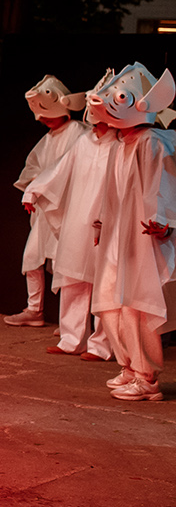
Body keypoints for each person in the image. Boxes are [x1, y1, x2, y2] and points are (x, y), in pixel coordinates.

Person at [81, 63, 176, 401]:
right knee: (110, 300)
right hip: (119, 237)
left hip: (144, 235)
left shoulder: (152, 143)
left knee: (138, 303)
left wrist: (165, 222)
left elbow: (164, 185)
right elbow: (113, 192)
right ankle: (130, 365)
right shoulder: (122, 144)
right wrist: (102, 223)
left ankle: (147, 375)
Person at [22, 70, 116, 361]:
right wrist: (34, 190)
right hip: (78, 216)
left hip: (106, 217)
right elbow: (59, 169)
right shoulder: (85, 142)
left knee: (105, 282)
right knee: (74, 277)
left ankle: (102, 345)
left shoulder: (120, 144)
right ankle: (71, 339)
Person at [6, 75, 90, 327]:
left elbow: (66, 170)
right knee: (32, 257)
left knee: (67, 263)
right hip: (45, 209)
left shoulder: (78, 132)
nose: (44, 122)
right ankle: (35, 309)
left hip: (67, 209)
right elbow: (35, 166)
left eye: (48, 116)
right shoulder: (49, 138)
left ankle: (71, 323)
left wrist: (42, 188)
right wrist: (33, 189)